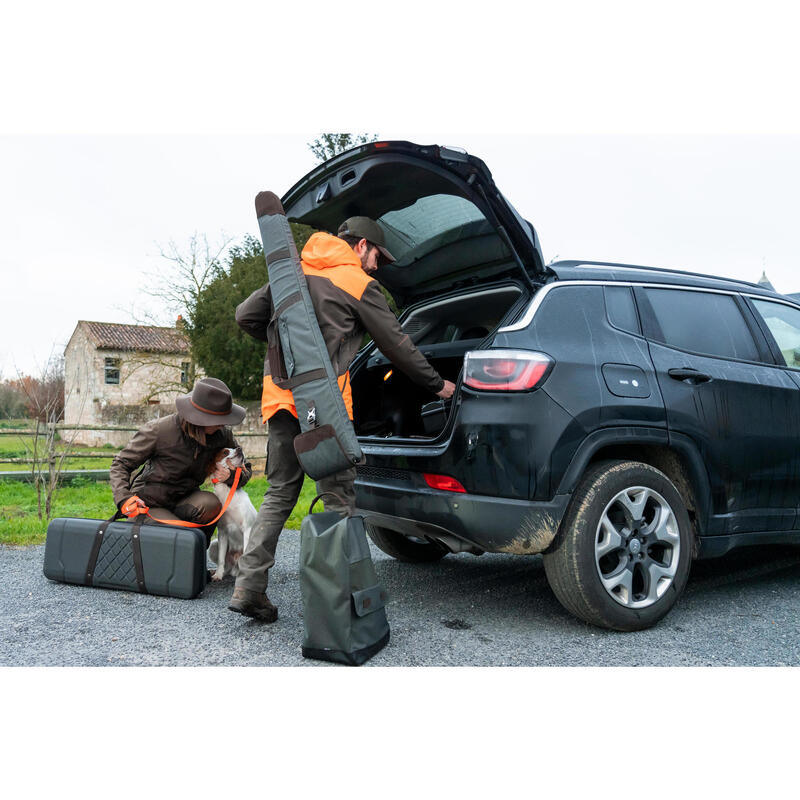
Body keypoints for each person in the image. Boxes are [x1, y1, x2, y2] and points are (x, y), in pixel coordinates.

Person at [229, 216, 456, 622]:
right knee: (338, 498)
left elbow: (246, 315)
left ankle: (249, 587)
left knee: (280, 494)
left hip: (281, 401)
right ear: (362, 245)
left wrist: (285, 349)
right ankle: (351, 602)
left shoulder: (292, 272)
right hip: (326, 410)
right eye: (377, 257)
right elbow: (398, 345)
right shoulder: (358, 283)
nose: (377, 266)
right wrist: (438, 385)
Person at [109, 377, 252, 546]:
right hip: (149, 504)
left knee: (211, 504)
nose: (223, 425)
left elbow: (246, 469)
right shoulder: (159, 430)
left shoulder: (222, 435)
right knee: (178, 537)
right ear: (201, 418)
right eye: (218, 421)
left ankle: (195, 563)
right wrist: (124, 498)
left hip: (186, 500)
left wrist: (230, 476)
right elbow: (120, 464)